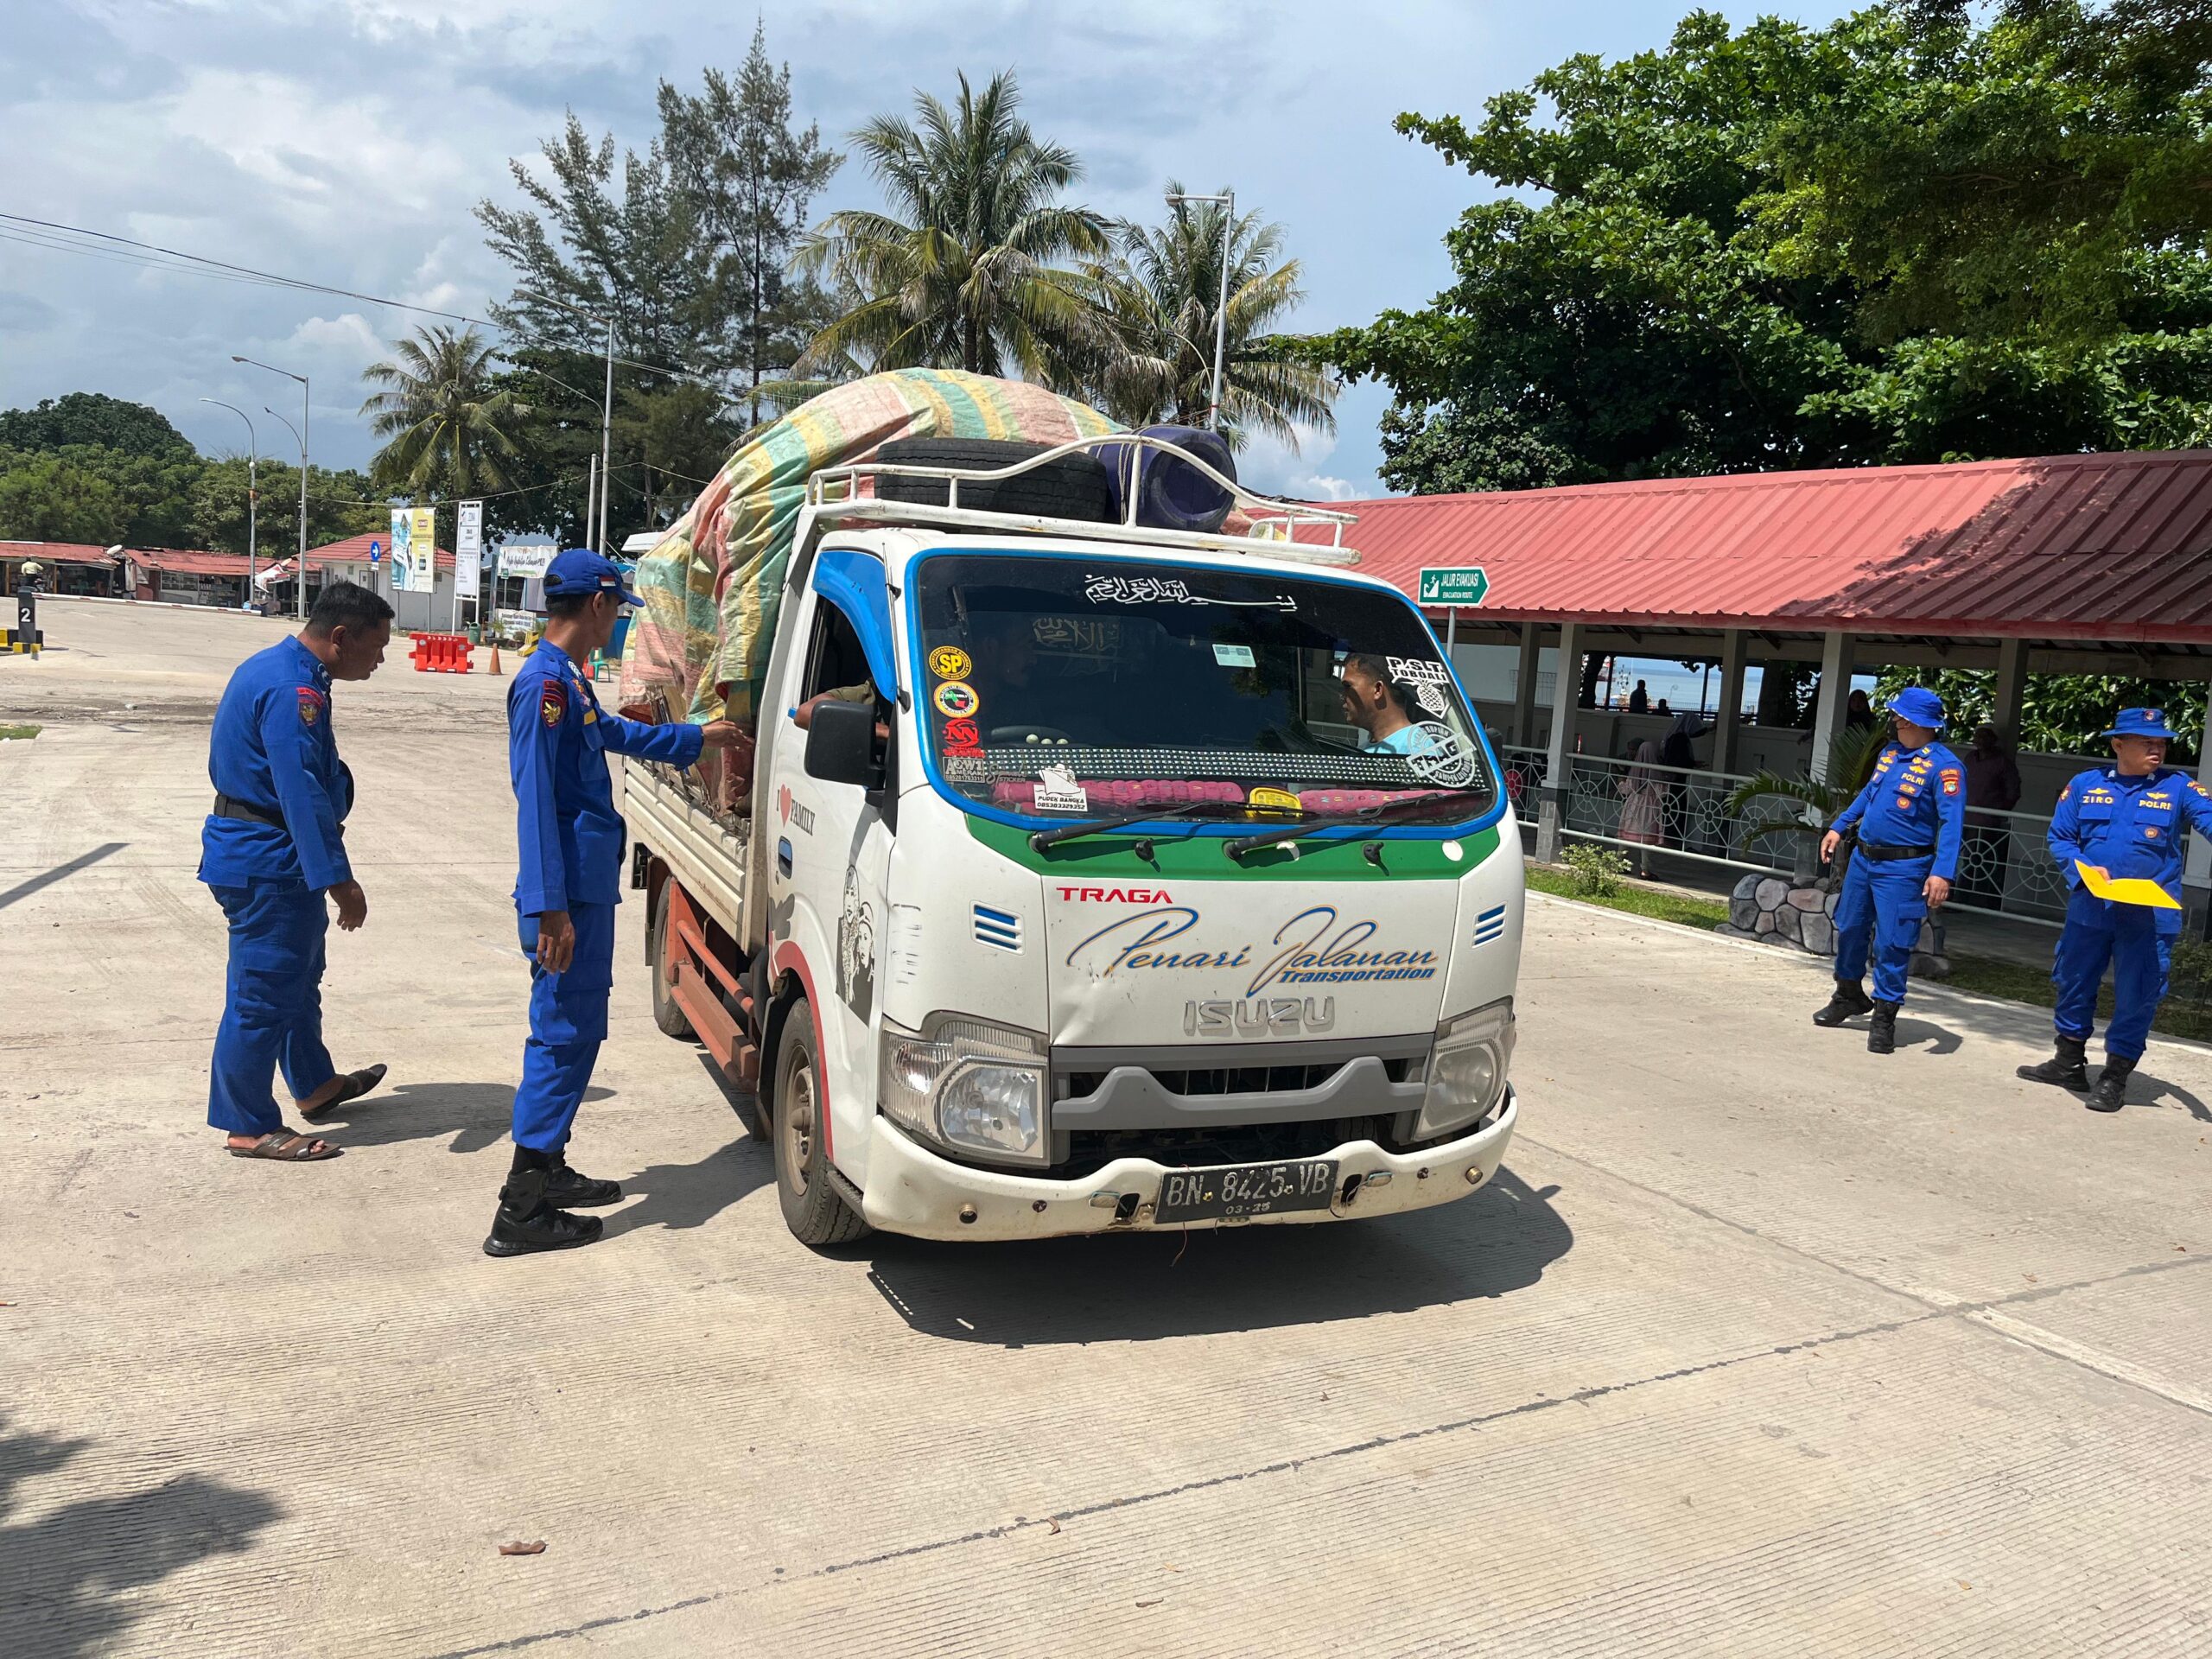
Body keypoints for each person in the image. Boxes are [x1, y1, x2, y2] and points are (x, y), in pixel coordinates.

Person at [488, 550, 745, 1255]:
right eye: (618, 613)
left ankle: (552, 1165)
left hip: (582, 888)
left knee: (580, 1030)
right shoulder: (543, 686)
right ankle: (522, 1205)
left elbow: (613, 735)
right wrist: (550, 908)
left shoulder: (567, 680)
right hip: (565, 895)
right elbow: (534, 801)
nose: (619, 628)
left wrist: (698, 736)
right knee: (563, 1036)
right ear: (598, 605)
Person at [200, 581, 394, 1162]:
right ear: (340, 638)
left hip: (267, 852)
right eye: (377, 646)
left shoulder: (285, 669)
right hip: (268, 859)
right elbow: (300, 790)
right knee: (262, 996)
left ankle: (315, 1085)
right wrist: (340, 879)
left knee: (295, 979)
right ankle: (249, 1125)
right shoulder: (294, 689)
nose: (381, 659)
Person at [2016, 709, 2212, 1111]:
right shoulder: (2086, 784)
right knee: (2073, 980)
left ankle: (2115, 1076)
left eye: (2161, 742)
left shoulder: (2180, 788)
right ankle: (2067, 1062)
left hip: (2148, 916)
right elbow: (2061, 836)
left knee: (2137, 993)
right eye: (2147, 742)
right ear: (2119, 745)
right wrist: (2082, 868)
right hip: (2092, 908)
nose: (2157, 749)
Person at [1812, 686, 1965, 1053]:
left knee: (1893, 943)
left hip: (1905, 867)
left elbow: (1952, 824)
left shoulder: (1946, 767)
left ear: (1916, 723)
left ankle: (1884, 1018)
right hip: (1864, 861)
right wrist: (1838, 825)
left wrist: (1942, 872)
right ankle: (1847, 994)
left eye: (1899, 717)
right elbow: (1868, 794)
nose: (1894, 722)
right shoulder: (1890, 754)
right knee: (1850, 926)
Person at [1961, 722, 2023, 902]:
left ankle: (1967, 899)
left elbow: (2013, 791)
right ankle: (1954, 895)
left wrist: (1998, 812)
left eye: (1983, 736)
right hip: (1964, 816)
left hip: (1985, 821)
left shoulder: (2003, 763)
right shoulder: (1970, 757)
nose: (1978, 740)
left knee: (1976, 860)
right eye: (1976, 736)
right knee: (1959, 858)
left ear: (1993, 740)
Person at [1339, 653, 1435, 756]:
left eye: (1348, 686)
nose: (1342, 695)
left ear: (1377, 689)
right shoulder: (1363, 752)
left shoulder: (1418, 748)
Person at [1618, 737, 1664, 875]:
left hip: (1631, 807)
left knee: (1626, 837)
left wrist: (1620, 781)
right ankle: (1645, 869)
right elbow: (1662, 793)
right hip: (1649, 809)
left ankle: (1618, 862)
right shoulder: (1656, 773)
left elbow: (1625, 790)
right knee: (1646, 841)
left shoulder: (1634, 772)